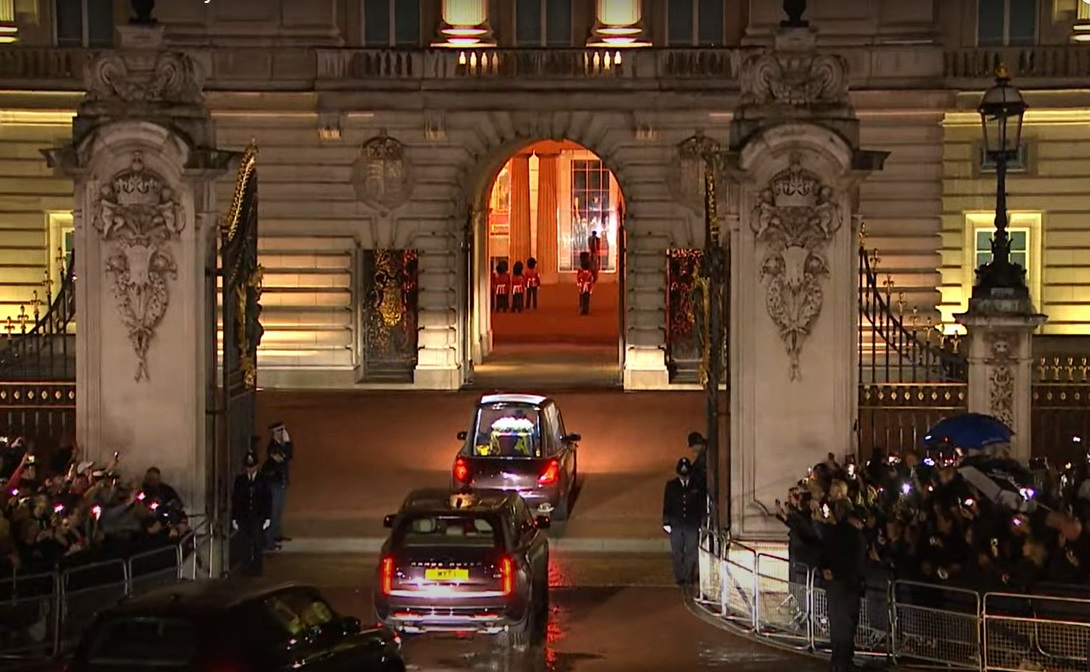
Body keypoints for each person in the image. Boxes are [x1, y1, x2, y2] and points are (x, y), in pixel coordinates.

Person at [820, 506, 867, 672]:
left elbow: (822, 552)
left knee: (836, 625)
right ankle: (844, 662)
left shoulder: (833, 532)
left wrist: (825, 569)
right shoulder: (856, 537)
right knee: (846, 627)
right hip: (848, 586)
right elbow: (856, 564)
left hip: (833, 585)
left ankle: (837, 661)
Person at [662, 457, 705, 586]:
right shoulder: (671, 486)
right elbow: (667, 504)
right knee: (677, 551)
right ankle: (679, 576)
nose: (685, 478)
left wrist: (701, 521)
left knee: (692, 551)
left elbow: (701, 504)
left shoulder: (697, 485)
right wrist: (666, 522)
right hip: (676, 523)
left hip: (692, 523)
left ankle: (688, 575)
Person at [231, 451, 272, 577]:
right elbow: (236, 500)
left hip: (257, 517)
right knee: (245, 544)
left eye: (252, 467)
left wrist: (267, 517)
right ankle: (246, 568)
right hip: (244, 517)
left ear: (256, 466)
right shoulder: (240, 480)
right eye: (248, 467)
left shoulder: (263, 480)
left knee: (257, 543)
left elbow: (267, 499)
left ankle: (257, 569)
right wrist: (234, 517)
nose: (250, 469)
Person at [265, 421, 294, 545]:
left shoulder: (280, 446)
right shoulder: (272, 448)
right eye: (279, 431)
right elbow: (285, 457)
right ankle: (269, 538)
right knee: (273, 510)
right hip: (274, 483)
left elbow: (288, 455)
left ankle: (276, 534)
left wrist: (287, 444)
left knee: (279, 510)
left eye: (283, 431)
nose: (282, 434)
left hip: (281, 482)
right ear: (274, 433)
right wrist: (287, 443)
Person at [576, 252, 594, 316]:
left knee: (583, 297)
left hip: (584, 286)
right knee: (586, 298)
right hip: (585, 286)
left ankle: (584, 309)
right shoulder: (588, 272)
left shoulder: (582, 271)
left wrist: (579, 282)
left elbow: (579, 277)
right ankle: (584, 309)